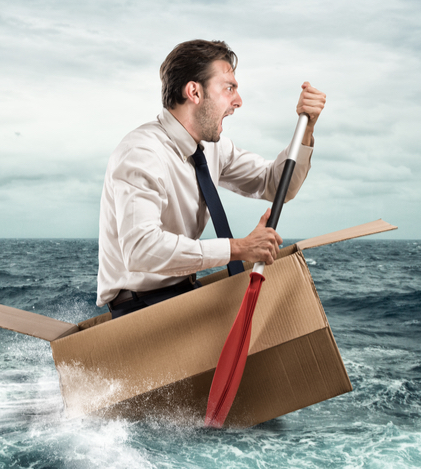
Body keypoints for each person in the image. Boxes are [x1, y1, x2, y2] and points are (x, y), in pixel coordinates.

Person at [96, 39, 326, 318]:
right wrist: (239, 248)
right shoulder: (141, 153)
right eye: (229, 88)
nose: (238, 101)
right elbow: (141, 250)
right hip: (139, 309)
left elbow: (276, 184)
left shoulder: (214, 148)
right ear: (194, 91)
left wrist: (306, 128)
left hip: (184, 293)